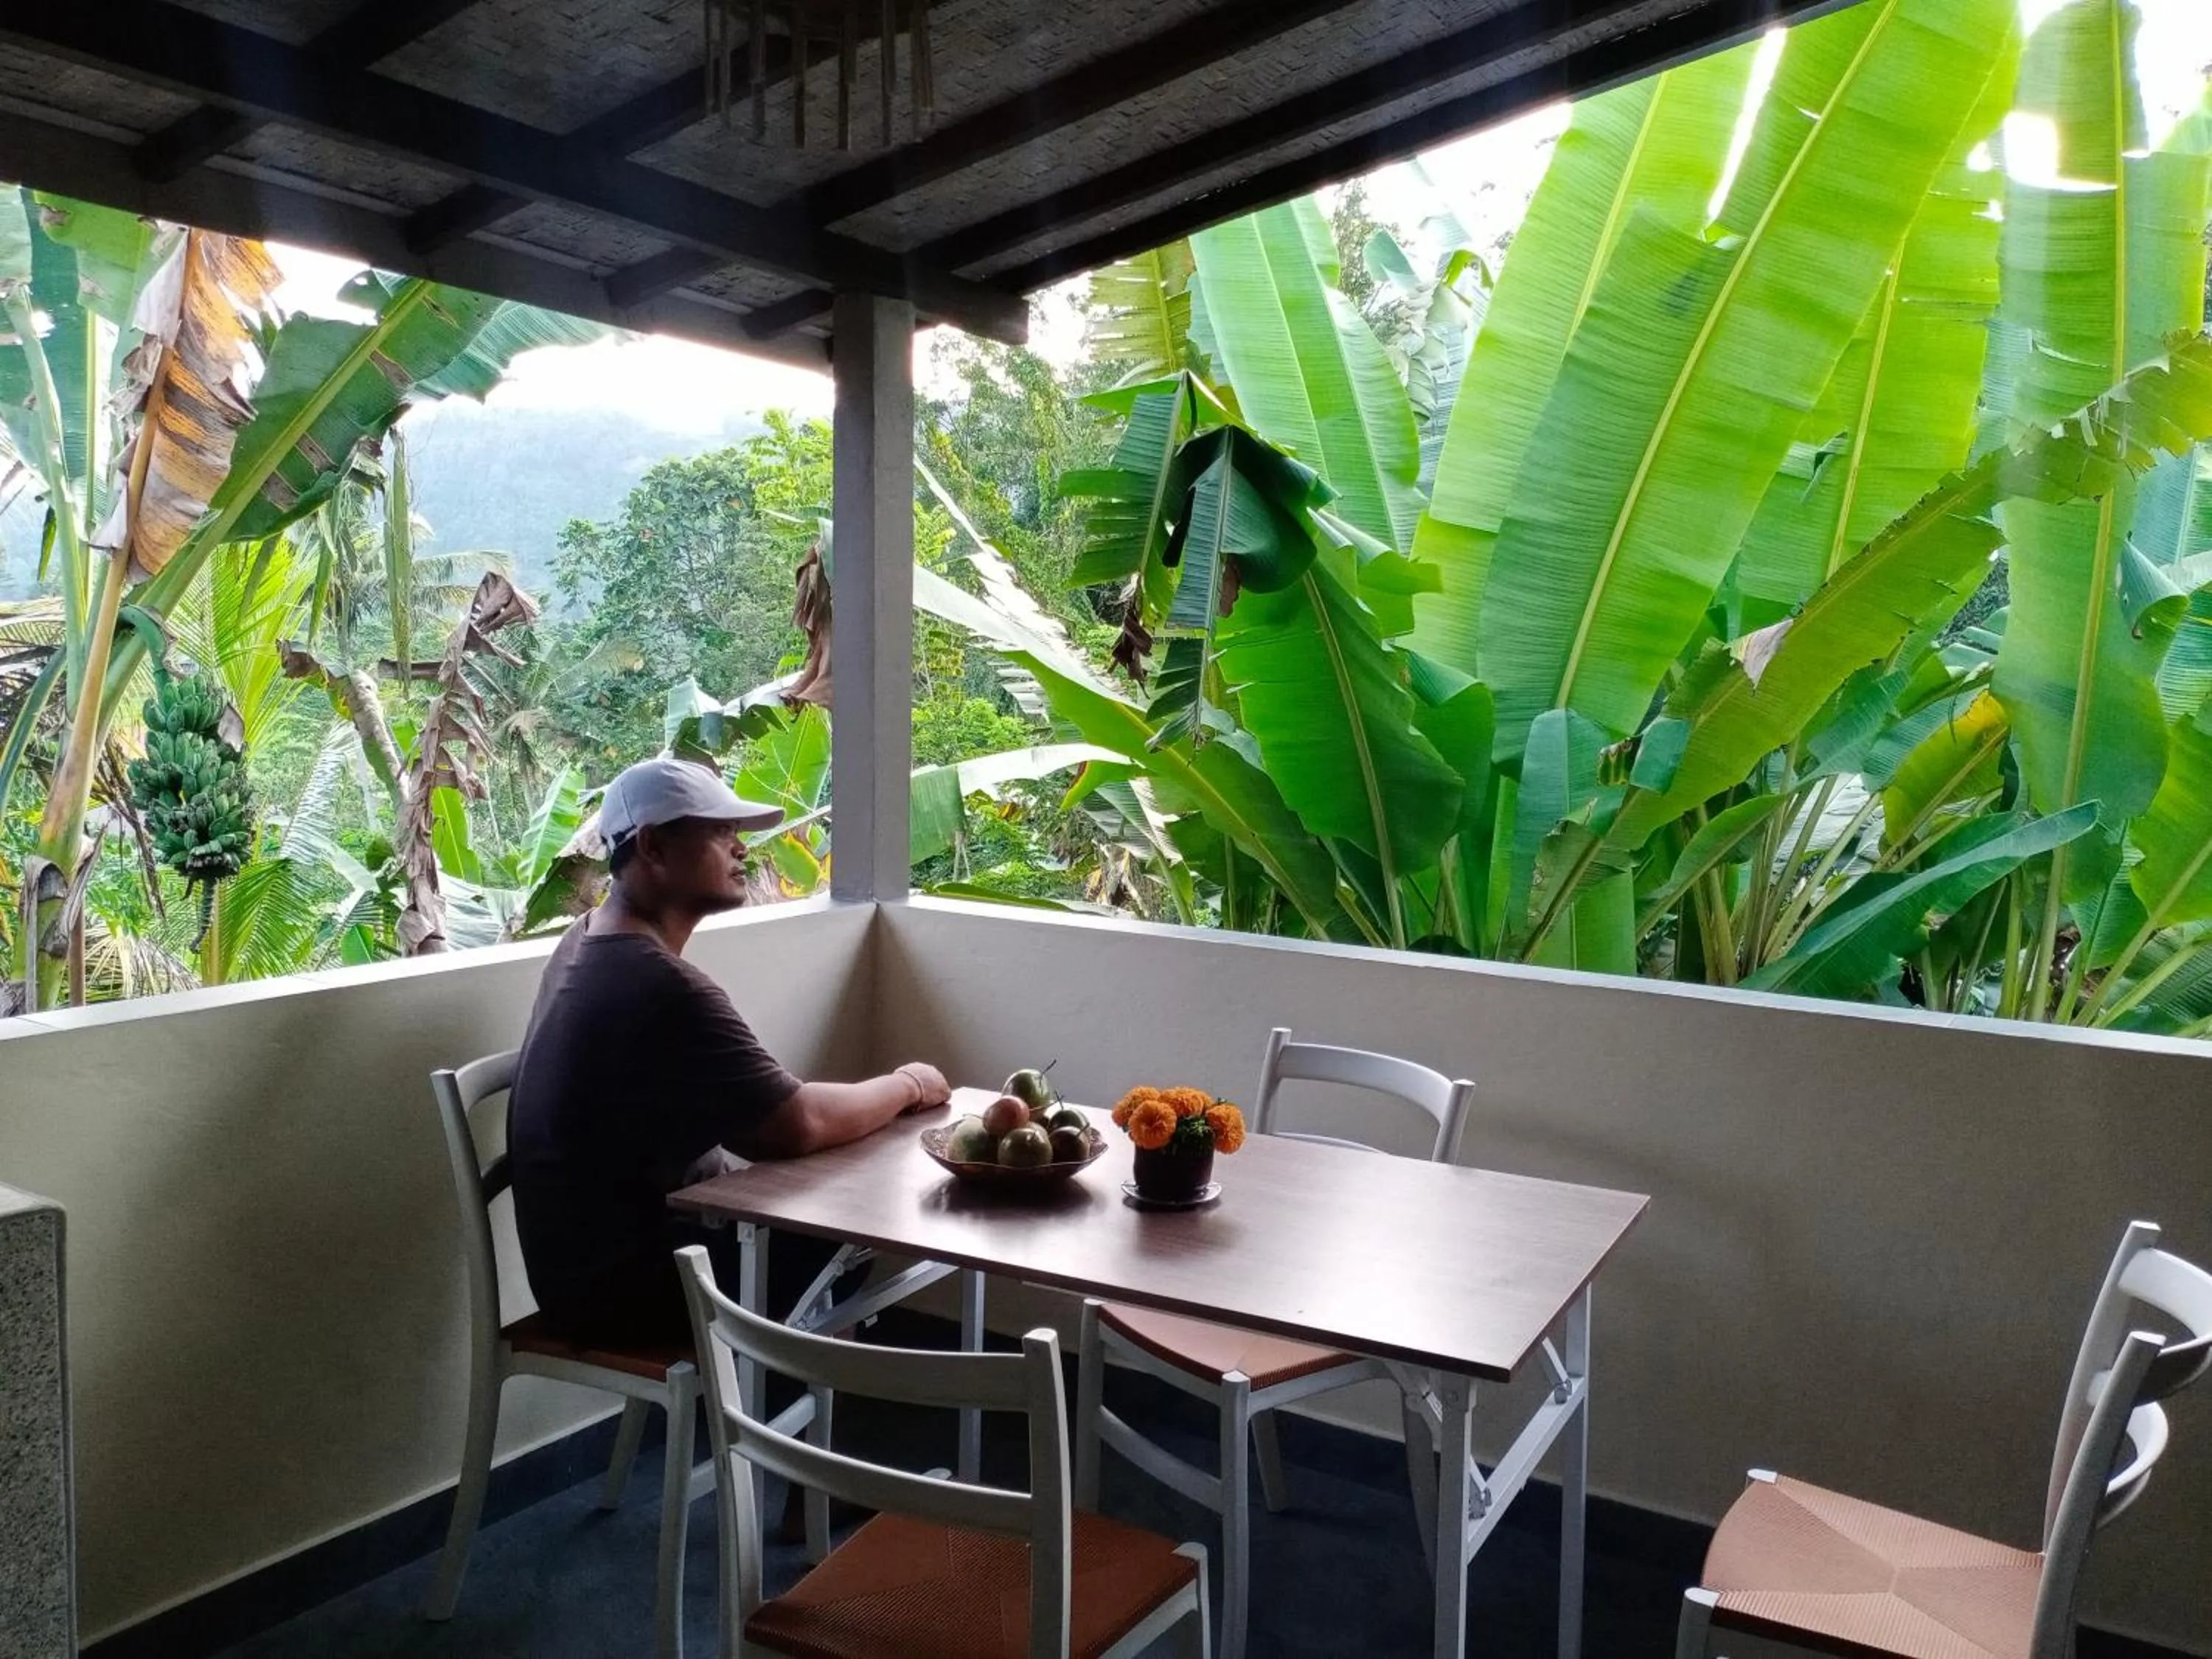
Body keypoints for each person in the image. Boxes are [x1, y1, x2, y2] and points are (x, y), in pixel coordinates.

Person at [509, 757, 950, 1351]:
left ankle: (766, 1404)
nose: (741, 850)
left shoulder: (587, 939)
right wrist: (908, 1084)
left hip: (579, 1277)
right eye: (720, 833)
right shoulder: (659, 983)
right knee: (855, 1217)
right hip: (638, 1293)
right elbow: (796, 1125)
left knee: (828, 1210)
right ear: (654, 848)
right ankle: (768, 1421)